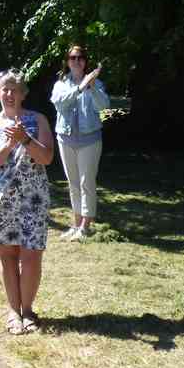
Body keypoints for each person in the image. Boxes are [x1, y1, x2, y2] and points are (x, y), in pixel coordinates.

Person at [0, 69, 54, 334]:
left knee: (31, 256)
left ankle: (28, 310)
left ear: (23, 93)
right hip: (2, 202)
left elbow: (46, 158)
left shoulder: (39, 120)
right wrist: (10, 144)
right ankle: (13, 311)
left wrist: (25, 139)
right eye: (5, 89)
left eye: (15, 89)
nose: (10, 94)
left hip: (32, 200)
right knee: (8, 256)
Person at [51, 44, 110, 241]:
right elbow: (59, 103)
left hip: (90, 140)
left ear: (85, 62)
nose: (77, 61)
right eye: (73, 57)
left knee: (87, 183)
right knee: (73, 183)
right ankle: (76, 224)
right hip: (65, 139)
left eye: (81, 57)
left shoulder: (96, 84)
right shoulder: (61, 84)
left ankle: (85, 226)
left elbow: (104, 105)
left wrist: (91, 87)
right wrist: (80, 87)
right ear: (67, 61)